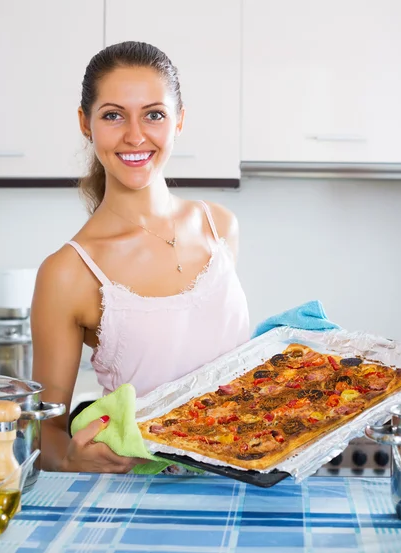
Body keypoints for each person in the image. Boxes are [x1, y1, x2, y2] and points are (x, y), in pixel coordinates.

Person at [31, 41, 250, 473]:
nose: (135, 135)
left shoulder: (219, 226)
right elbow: (44, 430)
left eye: (154, 114)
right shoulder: (69, 272)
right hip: (139, 497)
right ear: (85, 123)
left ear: (179, 121)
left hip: (243, 477)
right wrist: (72, 456)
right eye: (113, 115)